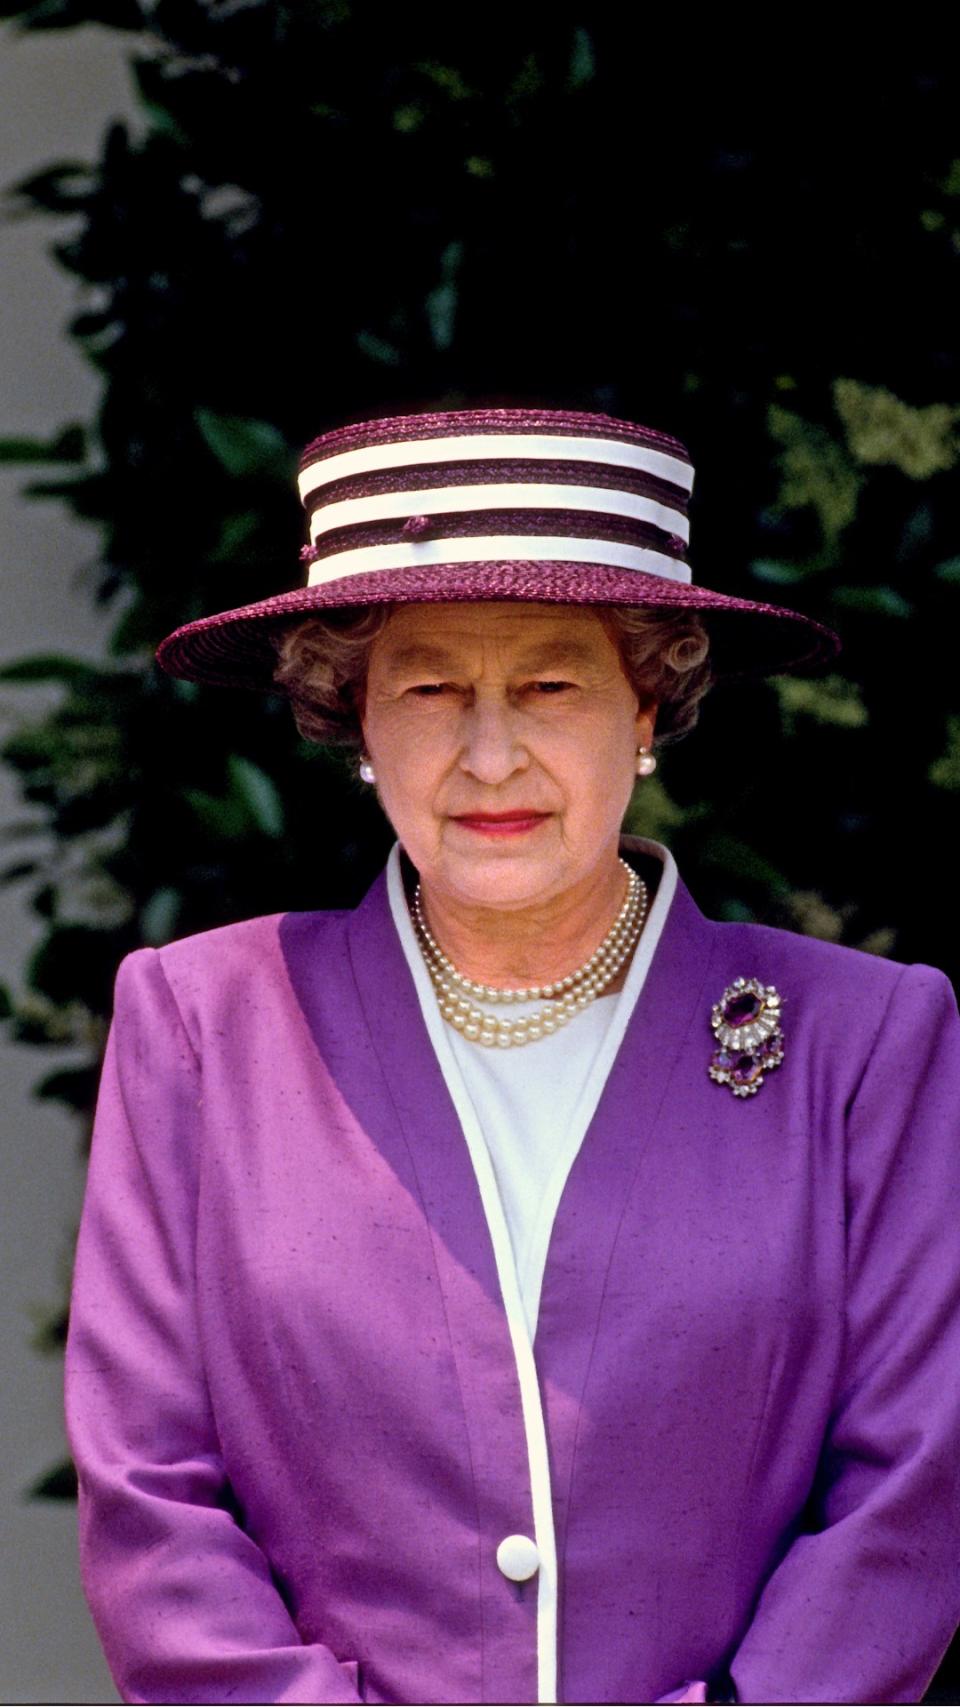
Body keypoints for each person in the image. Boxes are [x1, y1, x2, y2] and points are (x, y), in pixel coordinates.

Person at [65, 407, 960, 1706]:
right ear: (354, 718)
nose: (492, 756)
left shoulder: (863, 1044)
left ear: (649, 701)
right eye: (430, 688)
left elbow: (913, 1496)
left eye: (551, 685)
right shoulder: (204, 1024)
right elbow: (154, 1504)